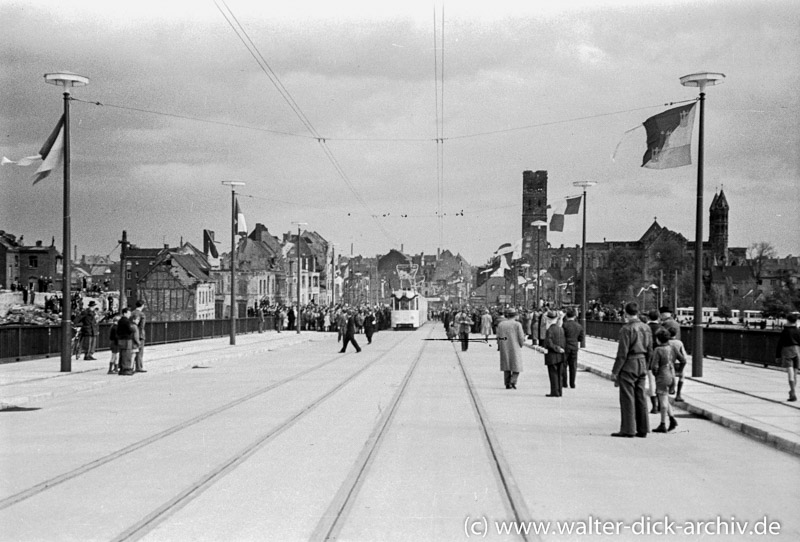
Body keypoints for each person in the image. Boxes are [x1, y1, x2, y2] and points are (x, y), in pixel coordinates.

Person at [610, 302, 653, 438]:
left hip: (629, 364)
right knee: (641, 397)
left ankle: (628, 429)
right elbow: (650, 349)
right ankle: (643, 428)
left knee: (627, 397)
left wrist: (615, 371)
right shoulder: (646, 327)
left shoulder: (626, 329)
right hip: (642, 363)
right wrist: (647, 365)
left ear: (626, 313)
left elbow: (622, 352)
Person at [651, 328, 680, 433]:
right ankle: (672, 419)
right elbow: (682, 359)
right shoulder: (672, 347)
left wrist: (655, 374)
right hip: (671, 374)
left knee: (662, 401)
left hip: (662, 376)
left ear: (658, 339)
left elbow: (654, 366)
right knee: (666, 397)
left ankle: (663, 424)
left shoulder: (658, 350)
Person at [496, 308, 526, 389]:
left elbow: (498, 337)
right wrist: (521, 344)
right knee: (517, 365)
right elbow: (521, 337)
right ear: (515, 315)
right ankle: (513, 381)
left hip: (504, 346)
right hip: (515, 346)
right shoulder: (517, 324)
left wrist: (499, 345)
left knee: (507, 365)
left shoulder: (501, 324)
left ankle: (507, 383)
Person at [775, 313, 800, 402]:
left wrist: (777, 355)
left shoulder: (785, 331)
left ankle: (793, 392)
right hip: (797, 351)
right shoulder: (798, 331)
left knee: (790, 373)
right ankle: (792, 391)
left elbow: (780, 344)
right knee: (795, 373)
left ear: (788, 321)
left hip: (787, 351)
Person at [543, 310, 566, 397]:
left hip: (552, 355)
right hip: (561, 355)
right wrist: (561, 349)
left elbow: (549, 342)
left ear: (548, 320)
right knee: (559, 374)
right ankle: (559, 391)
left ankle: (554, 392)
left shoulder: (549, 330)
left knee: (553, 374)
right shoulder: (561, 329)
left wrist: (557, 348)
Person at [561, 307, 585, 389]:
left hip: (565, 346)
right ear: (574, 316)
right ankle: (572, 383)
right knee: (573, 365)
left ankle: (564, 383)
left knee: (564, 364)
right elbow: (581, 338)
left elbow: (561, 336)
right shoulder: (579, 326)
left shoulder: (564, 325)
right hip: (574, 346)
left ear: (567, 316)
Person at [645, 309, 662, 413]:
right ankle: (661, 404)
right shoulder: (661, 328)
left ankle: (654, 406)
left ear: (648, 317)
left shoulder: (646, 328)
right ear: (658, 317)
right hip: (661, 357)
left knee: (651, 382)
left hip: (650, 357)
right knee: (660, 381)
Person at [668, 326, 688, 402]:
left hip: (670, 363)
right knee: (682, 377)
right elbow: (684, 355)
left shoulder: (667, 342)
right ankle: (678, 394)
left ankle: (671, 389)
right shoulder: (679, 343)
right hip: (678, 363)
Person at [116, 308, 136, 376]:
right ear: (125, 313)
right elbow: (130, 329)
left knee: (122, 354)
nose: (129, 314)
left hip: (121, 339)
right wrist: (133, 328)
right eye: (128, 313)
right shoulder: (126, 321)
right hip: (126, 339)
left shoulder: (120, 321)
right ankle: (126, 368)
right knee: (127, 354)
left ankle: (121, 368)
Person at [131, 300, 147, 373]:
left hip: (131, 333)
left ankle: (131, 366)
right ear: (142, 305)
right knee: (140, 352)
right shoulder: (142, 314)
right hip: (140, 335)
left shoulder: (132, 313)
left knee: (133, 351)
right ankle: (139, 367)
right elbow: (142, 326)